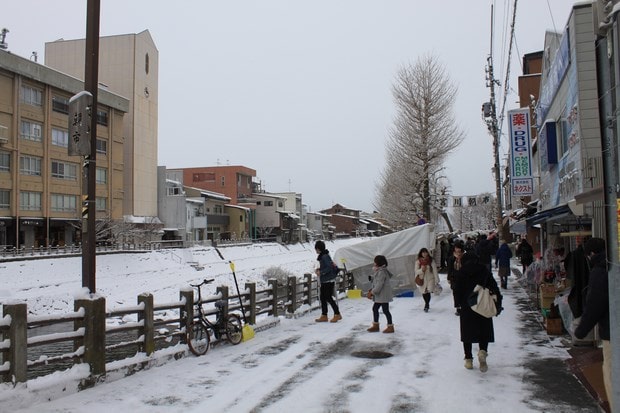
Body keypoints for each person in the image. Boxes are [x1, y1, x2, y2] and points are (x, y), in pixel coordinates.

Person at [574, 238, 612, 411]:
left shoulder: (600, 270)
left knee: (611, 373)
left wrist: (581, 330)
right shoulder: (613, 264)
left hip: (612, 331)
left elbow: (595, 303)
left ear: (591, 254)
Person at [453, 252, 502, 372]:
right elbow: (494, 287)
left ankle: (468, 359)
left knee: (467, 333)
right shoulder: (484, 271)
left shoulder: (461, 273)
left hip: (467, 306)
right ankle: (482, 353)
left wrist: (457, 305)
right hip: (483, 305)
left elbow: (456, 290)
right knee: (484, 330)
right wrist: (498, 303)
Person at [314, 240, 342, 323]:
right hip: (326, 279)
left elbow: (329, 267)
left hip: (328, 280)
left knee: (328, 297)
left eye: (316, 248)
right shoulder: (324, 255)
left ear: (318, 249)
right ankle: (324, 315)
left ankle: (337, 314)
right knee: (323, 297)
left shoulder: (324, 256)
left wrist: (321, 272)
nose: (315, 250)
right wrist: (319, 269)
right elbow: (327, 266)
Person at [366, 255, 395, 333]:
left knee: (385, 310)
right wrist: (372, 278)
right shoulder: (380, 270)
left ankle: (390, 326)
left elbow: (379, 284)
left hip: (383, 295)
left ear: (378, 262)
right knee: (375, 309)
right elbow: (377, 280)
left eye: (375, 261)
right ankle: (376, 325)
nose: (374, 263)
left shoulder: (382, 272)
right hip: (380, 295)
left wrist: (372, 292)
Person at [413, 247, 440, 312]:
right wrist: (422, 270)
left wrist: (437, 279)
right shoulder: (418, 261)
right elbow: (416, 271)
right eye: (423, 252)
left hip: (431, 278)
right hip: (422, 279)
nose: (424, 254)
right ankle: (426, 304)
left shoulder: (431, 260)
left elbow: (434, 270)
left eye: (426, 252)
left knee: (429, 290)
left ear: (428, 253)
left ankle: (427, 305)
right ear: (421, 253)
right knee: (424, 292)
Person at [447, 240, 465, 316]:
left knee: (463, 292)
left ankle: (463, 306)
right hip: (454, 278)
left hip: (463, 277)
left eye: (459, 248)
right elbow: (449, 268)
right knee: (456, 293)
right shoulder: (452, 258)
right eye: (456, 248)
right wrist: (449, 277)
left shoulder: (464, 257)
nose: (457, 250)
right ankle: (458, 307)